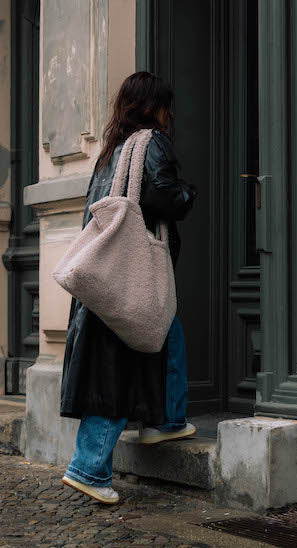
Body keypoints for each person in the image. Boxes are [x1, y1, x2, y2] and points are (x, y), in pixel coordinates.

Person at [60, 71, 197, 505]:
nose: (170, 113)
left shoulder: (110, 153)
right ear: (154, 105)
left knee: (164, 329)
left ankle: (168, 419)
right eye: (166, 105)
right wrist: (188, 194)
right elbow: (163, 195)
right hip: (129, 272)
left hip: (108, 272)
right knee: (116, 367)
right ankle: (88, 467)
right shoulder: (149, 142)